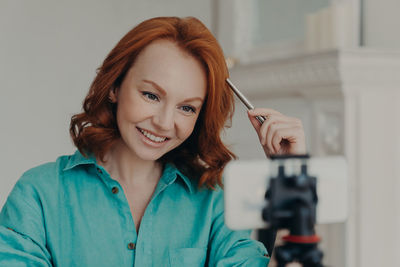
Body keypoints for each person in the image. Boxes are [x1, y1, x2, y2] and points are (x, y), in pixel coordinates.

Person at [0, 16, 305, 266]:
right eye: (151, 95)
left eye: (186, 107)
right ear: (115, 87)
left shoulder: (214, 203)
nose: (163, 122)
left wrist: (294, 176)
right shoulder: (39, 195)